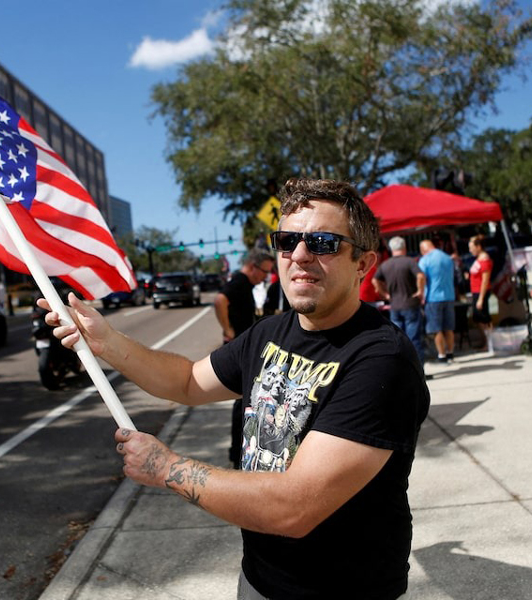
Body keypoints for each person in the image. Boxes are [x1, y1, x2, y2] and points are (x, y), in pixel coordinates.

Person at [41, 178, 430, 599]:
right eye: (287, 240)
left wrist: (167, 468)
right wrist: (107, 343)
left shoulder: (381, 360)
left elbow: (293, 507)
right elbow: (188, 382)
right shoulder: (269, 332)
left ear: (363, 263)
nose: (299, 256)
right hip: (259, 578)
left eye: (323, 242)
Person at [214, 250, 276, 468]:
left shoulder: (246, 285)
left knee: (246, 401)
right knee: (242, 402)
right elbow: (220, 301)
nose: (265, 277)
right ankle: (237, 453)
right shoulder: (240, 282)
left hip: (243, 349)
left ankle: (241, 450)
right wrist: (228, 329)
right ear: (252, 266)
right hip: (237, 350)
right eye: (264, 272)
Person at [373, 236, 426, 365]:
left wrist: (384, 294)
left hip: (394, 306)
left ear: (391, 249)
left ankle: (402, 370)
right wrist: (420, 291)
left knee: (398, 341)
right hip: (410, 304)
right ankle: (418, 370)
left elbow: (374, 280)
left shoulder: (385, 264)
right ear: (404, 248)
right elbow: (420, 276)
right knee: (414, 340)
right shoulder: (409, 262)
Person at [419, 238, 456, 363]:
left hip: (433, 298)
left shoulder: (425, 260)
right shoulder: (447, 258)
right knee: (449, 328)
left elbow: (421, 277)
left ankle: (442, 356)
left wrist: (421, 293)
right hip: (449, 296)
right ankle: (450, 353)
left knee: (436, 329)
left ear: (423, 250)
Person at [468, 234, 494, 350]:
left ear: (478, 247)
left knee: (484, 318)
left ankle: (490, 342)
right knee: (478, 318)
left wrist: (481, 298)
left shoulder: (485, 259)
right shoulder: (478, 259)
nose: (470, 250)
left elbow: (485, 280)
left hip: (481, 292)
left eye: (472, 248)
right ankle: (485, 341)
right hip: (475, 291)